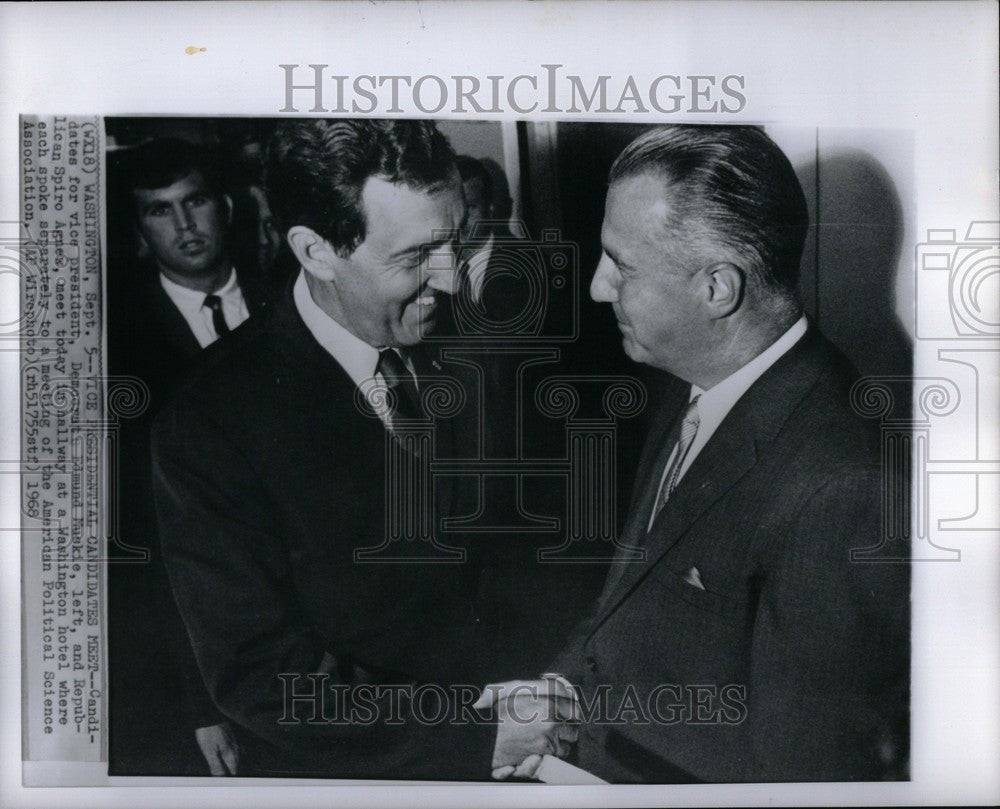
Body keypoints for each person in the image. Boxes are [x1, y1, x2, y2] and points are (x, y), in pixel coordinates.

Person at [151, 119, 573, 779]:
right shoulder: (208, 421)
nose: (455, 280)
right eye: (415, 256)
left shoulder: (486, 344)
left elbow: (541, 544)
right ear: (316, 251)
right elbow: (263, 675)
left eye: (459, 242)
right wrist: (472, 735)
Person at [532, 125, 910, 782]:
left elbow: (805, 777)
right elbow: (626, 601)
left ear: (717, 289)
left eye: (620, 265)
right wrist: (553, 699)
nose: (597, 287)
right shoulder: (691, 375)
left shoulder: (842, 484)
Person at [109, 138, 271, 776]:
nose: (183, 224)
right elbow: (141, 544)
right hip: (203, 655)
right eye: (158, 210)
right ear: (140, 233)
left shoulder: (294, 302)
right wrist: (198, 701)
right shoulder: (116, 349)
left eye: (195, 200)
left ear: (225, 207)